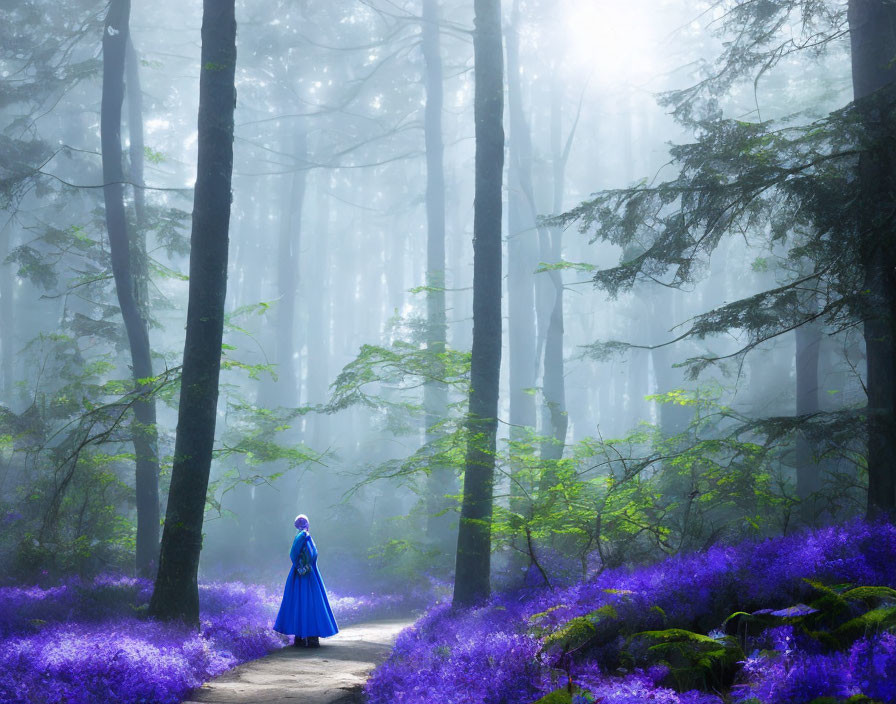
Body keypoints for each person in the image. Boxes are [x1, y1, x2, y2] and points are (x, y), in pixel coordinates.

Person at [273, 514, 339, 647]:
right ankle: (310, 637)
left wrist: (300, 566)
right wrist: (302, 566)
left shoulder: (300, 535)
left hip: (302, 575)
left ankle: (301, 637)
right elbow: (295, 554)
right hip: (307, 574)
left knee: (300, 603)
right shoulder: (304, 535)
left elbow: (294, 554)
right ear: (307, 524)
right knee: (311, 603)